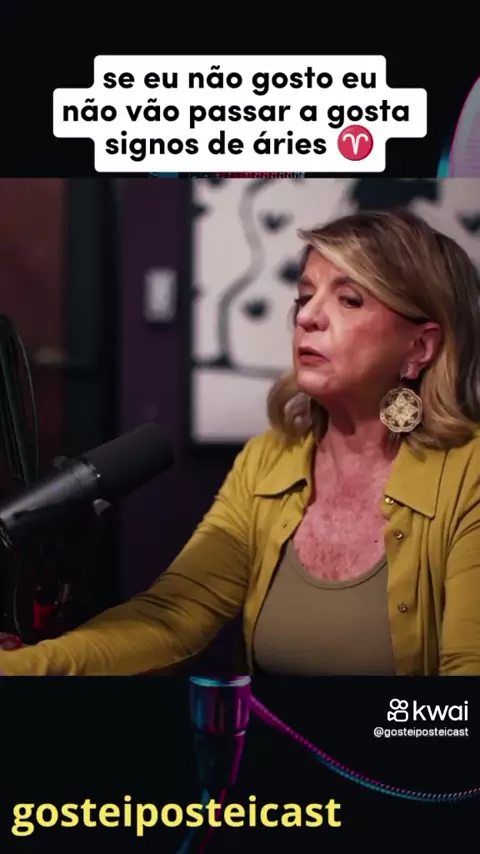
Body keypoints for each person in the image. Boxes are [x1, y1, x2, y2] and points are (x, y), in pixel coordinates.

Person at [1, 208, 480, 677]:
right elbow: (173, 618)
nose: (308, 316)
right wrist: (23, 668)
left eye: (349, 300)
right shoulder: (267, 460)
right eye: (305, 296)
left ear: (419, 348)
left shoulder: (469, 474)